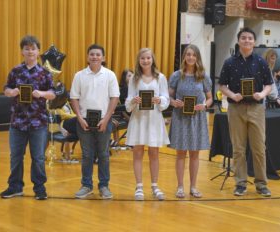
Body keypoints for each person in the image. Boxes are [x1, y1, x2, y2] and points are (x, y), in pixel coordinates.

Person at [219, 27, 273, 197]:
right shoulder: (229, 62)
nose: (247, 41)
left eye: (250, 38)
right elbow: (221, 85)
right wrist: (232, 95)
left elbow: (269, 84)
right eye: (244, 38)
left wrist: (262, 94)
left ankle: (261, 184)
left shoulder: (261, 62)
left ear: (254, 42)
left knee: (258, 148)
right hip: (236, 109)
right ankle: (240, 183)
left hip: (256, 108)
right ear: (238, 41)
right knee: (238, 148)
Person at [0, 35, 56, 200]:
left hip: (38, 122)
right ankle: (15, 187)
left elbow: (53, 93)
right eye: (27, 48)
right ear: (22, 51)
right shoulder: (15, 71)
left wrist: (42, 94)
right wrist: (12, 92)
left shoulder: (45, 73)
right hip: (17, 122)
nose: (30, 51)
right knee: (16, 156)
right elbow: (6, 89)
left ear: (38, 52)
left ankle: (39, 188)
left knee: (38, 157)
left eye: (33, 48)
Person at [70, 44, 119, 199]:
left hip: (104, 121)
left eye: (98, 54)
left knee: (104, 154)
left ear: (103, 58)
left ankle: (104, 186)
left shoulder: (110, 75)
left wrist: (106, 119)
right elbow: (74, 98)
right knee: (86, 155)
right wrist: (79, 118)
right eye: (92, 54)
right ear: (87, 57)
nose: (95, 57)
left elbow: (115, 98)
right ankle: (86, 185)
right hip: (83, 121)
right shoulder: (79, 75)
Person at [168, 44, 212, 199]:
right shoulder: (176, 76)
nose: (191, 57)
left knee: (195, 154)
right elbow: (169, 97)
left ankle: (193, 186)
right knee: (181, 154)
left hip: (197, 119)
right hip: (180, 117)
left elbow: (210, 98)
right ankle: (180, 186)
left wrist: (205, 105)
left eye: (193, 54)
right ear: (184, 57)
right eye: (188, 54)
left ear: (197, 57)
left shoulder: (203, 76)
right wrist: (174, 103)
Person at [125, 48, 170, 201]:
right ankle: (139, 187)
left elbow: (166, 99)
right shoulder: (134, 79)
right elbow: (128, 101)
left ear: (152, 59)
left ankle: (155, 186)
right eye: (143, 58)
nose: (145, 61)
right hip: (138, 119)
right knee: (137, 152)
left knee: (154, 153)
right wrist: (133, 101)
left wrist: (160, 100)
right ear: (139, 60)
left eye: (148, 58)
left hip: (154, 119)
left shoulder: (161, 77)